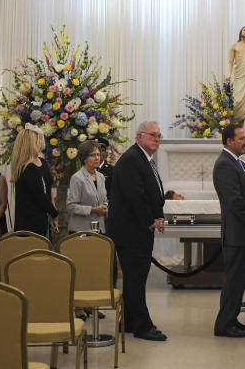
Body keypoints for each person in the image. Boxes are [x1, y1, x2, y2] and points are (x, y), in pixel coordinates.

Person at [106, 121, 167, 341]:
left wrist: (156, 216)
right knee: (135, 279)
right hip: (131, 231)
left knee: (135, 278)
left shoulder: (142, 158)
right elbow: (135, 196)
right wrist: (150, 220)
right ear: (139, 136)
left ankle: (130, 322)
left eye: (159, 135)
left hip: (135, 228)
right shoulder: (133, 159)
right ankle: (142, 326)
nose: (157, 139)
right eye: (153, 135)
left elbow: (149, 193)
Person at [212, 123, 245, 338]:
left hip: (242, 234)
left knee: (238, 281)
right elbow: (235, 201)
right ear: (229, 141)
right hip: (237, 233)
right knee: (233, 280)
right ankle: (224, 325)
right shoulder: (225, 165)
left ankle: (232, 319)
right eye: (241, 138)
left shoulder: (235, 162)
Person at [12, 129, 59, 237]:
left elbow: (48, 188)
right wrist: (55, 214)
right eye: (38, 140)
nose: (40, 143)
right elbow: (40, 196)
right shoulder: (28, 167)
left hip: (43, 217)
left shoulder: (42, 162)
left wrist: (52, 211)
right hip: (30, 221)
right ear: (30, 144)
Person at [67, 140, 109, 233]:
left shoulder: (101, 177)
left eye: (98, 154)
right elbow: (70, 206)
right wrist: (93, 210)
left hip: (99, 228)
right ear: (84, 158)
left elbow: (104, 199)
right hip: (81, 229)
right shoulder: (77, 178)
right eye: (92, 155)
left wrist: (105, 206)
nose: (97, 158)